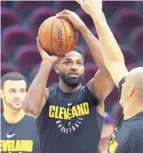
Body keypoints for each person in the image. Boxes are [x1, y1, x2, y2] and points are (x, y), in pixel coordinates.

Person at [23, 10, 114, 153]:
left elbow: (109, 71)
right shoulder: (46, 96)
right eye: (67, 62)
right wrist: (46, 63)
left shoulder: (93, 92)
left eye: (79, 63)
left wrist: (83, 29)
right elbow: (30, 108)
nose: (74, 67)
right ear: (57, 68)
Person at [76, 0, 143, 153]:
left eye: (124, 84)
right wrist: (97, 16)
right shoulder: (132, 111)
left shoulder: (138, 134)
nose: (120, 83)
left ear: (131, 91)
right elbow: (115, 62)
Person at [0, 72, 41, 153]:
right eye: (12, 91)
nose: (18, 96)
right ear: (1, 93)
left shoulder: (40, 126)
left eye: (22, 91)